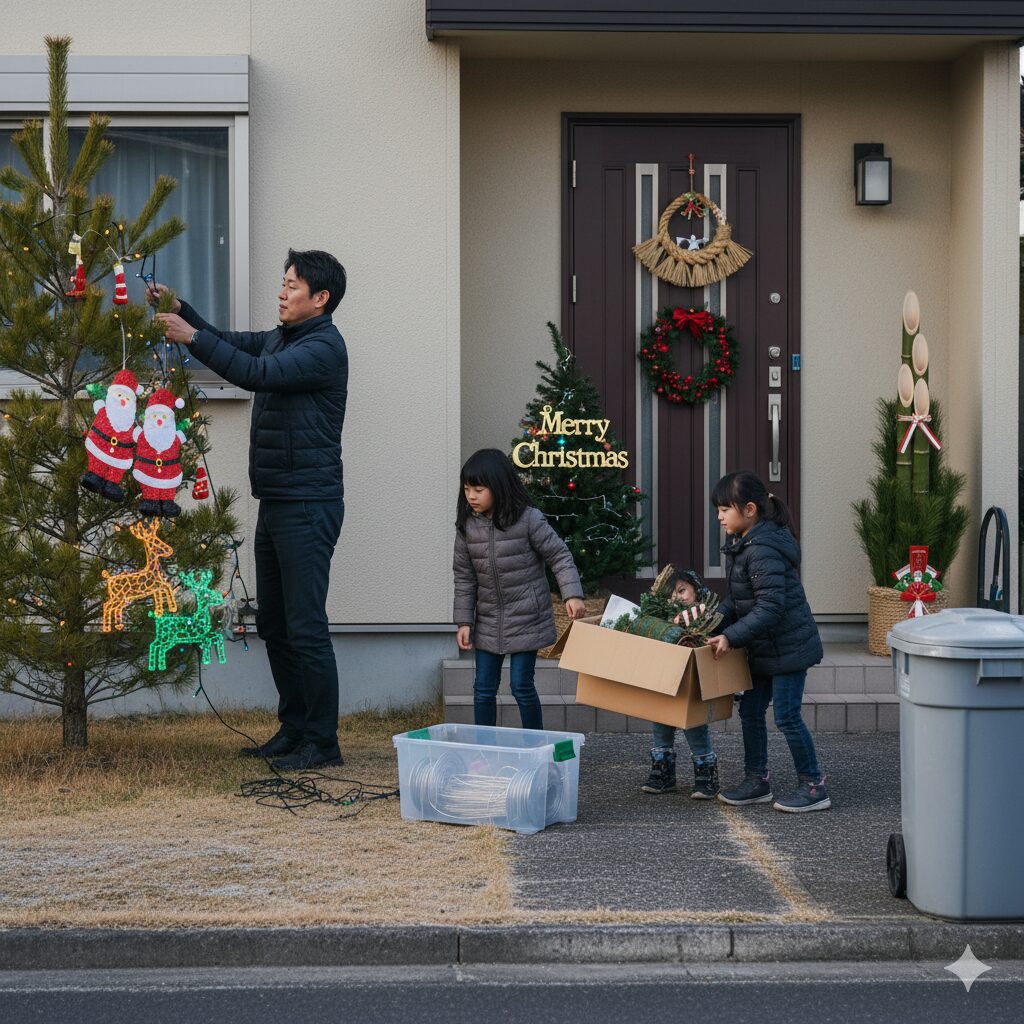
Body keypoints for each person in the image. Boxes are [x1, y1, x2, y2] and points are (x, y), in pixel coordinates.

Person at [151, 249, 348, 771]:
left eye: (292, 286)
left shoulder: (324, 348)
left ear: (320, 299)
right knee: (276, 625)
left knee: (305, 627)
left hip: (309, 504)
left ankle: (322, 743)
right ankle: (295, 728)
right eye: (282, 283)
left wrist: (190, 338)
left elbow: (253, 372)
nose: (281, 293)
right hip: (280, 501)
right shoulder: (286, 337)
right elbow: (234, 343)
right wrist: (184, 310)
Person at [706, 470, 830, 812]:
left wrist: (730, 636)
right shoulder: (745, 545)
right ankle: (756, 780)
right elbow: (737, 600)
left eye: (723, 509)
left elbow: (771, 607)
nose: (718, 516)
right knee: (750, 710)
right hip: (762, 645)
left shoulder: (762, 548)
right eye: (717, 509)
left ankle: (814, 785)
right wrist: (710, 623)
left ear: (749, 509)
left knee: (787, 716)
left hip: (789, 646)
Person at [454, 448, 586, 730]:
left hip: (528, 617)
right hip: (488, 620)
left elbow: (559, 556)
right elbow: (464, 577)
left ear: (499, 487)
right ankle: (484, 748)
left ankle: (534, 744)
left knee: (520, 685)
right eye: (467, 489)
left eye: (478, 489)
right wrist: (464, 621)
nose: (471, 496)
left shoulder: (528, 520)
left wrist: (572, 594)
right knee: (483, 689)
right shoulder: (467, 527)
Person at [633, 567, 720, 799]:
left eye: (682, 590)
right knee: (661, 720)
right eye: (671, 594)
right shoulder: (661, 619)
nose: (677, 597)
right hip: (664, 680)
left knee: (694, 724)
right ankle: (662, 772)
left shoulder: (707, 617)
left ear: (696, 590)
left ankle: (706, 774)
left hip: (694, 684)